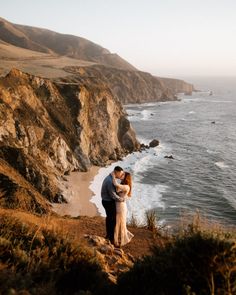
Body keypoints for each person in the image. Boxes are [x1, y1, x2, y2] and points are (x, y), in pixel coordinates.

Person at [101, 166, 124, 244]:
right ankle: (111, 238)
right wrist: (122, 200)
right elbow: (113, 195)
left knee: (109, 219)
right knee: (112, 220)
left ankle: (109, 236)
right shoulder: (110, 181)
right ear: (116, 172)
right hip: (108, 202)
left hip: (106, 201)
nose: (121, 175)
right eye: (120, 174)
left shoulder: (110, 178)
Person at [112, 171, 134, 247]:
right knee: (118, 224)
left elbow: (115, 184)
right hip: (119, 205)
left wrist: (113, 175)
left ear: (126, 177)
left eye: (123, 174)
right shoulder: (123, 185)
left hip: (121, 207)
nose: (122, 175)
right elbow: (117, 189)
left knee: (118, 224)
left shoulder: (126, 186)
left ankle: (116, 242)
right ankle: (117, 240)